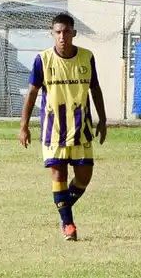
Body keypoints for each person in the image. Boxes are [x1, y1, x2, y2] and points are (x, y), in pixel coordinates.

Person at [19, 13, 108, 241]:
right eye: (57, 32)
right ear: (52, 34)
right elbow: (32, 93)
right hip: (54, 130)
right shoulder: (43, 59)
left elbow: (95, 90)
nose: (62, 37)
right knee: (58, 174)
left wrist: (103, 120)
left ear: (74, 33)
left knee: (84, 177)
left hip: (81, 129)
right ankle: (68, 223)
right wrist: (24, 125)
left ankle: (63, 208)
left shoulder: (87, 58)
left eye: (66, 32)